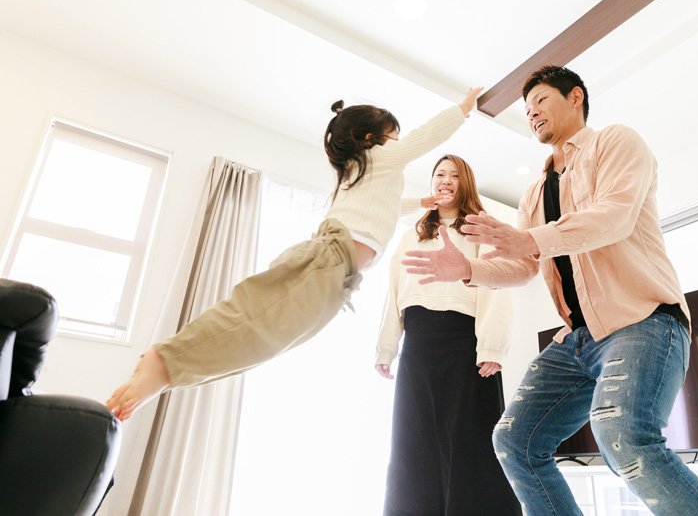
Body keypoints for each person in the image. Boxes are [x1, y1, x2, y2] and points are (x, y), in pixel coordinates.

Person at [401, 66, 698, 515]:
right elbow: (523, 267)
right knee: (514, 441)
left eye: (540, 100)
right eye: (527, 108)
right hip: (577, 339)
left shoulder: (615, 142)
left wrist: (528, 240)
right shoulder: (533, 193)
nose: (531, 112)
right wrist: (468, 269)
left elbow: (613, 217)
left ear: (575, 97)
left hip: (642, 320)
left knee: (625, 438)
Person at [106, 87, 483, 421]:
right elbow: (424, 138)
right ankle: (164, 363)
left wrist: (420, 202)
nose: (397, 145)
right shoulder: (377, 156)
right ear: (371, 139)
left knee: (266, 340)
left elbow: (383, 208)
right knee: (255, 317)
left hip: (338, 275)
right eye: (393, 138)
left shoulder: (361, 173)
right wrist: (462, 109)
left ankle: (171, 371)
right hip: (328, 260)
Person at [376, 154, 522, 516]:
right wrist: (385, 348)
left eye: (454, 175)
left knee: (471, 439)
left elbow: (496, 287)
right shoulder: (410, 235)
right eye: (439, 174)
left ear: (465, 183)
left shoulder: (481, 230)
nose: (445, 180)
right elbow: (393, 293)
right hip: (418, 345)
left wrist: (492, 347)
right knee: (413, 439)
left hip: (464, 342)